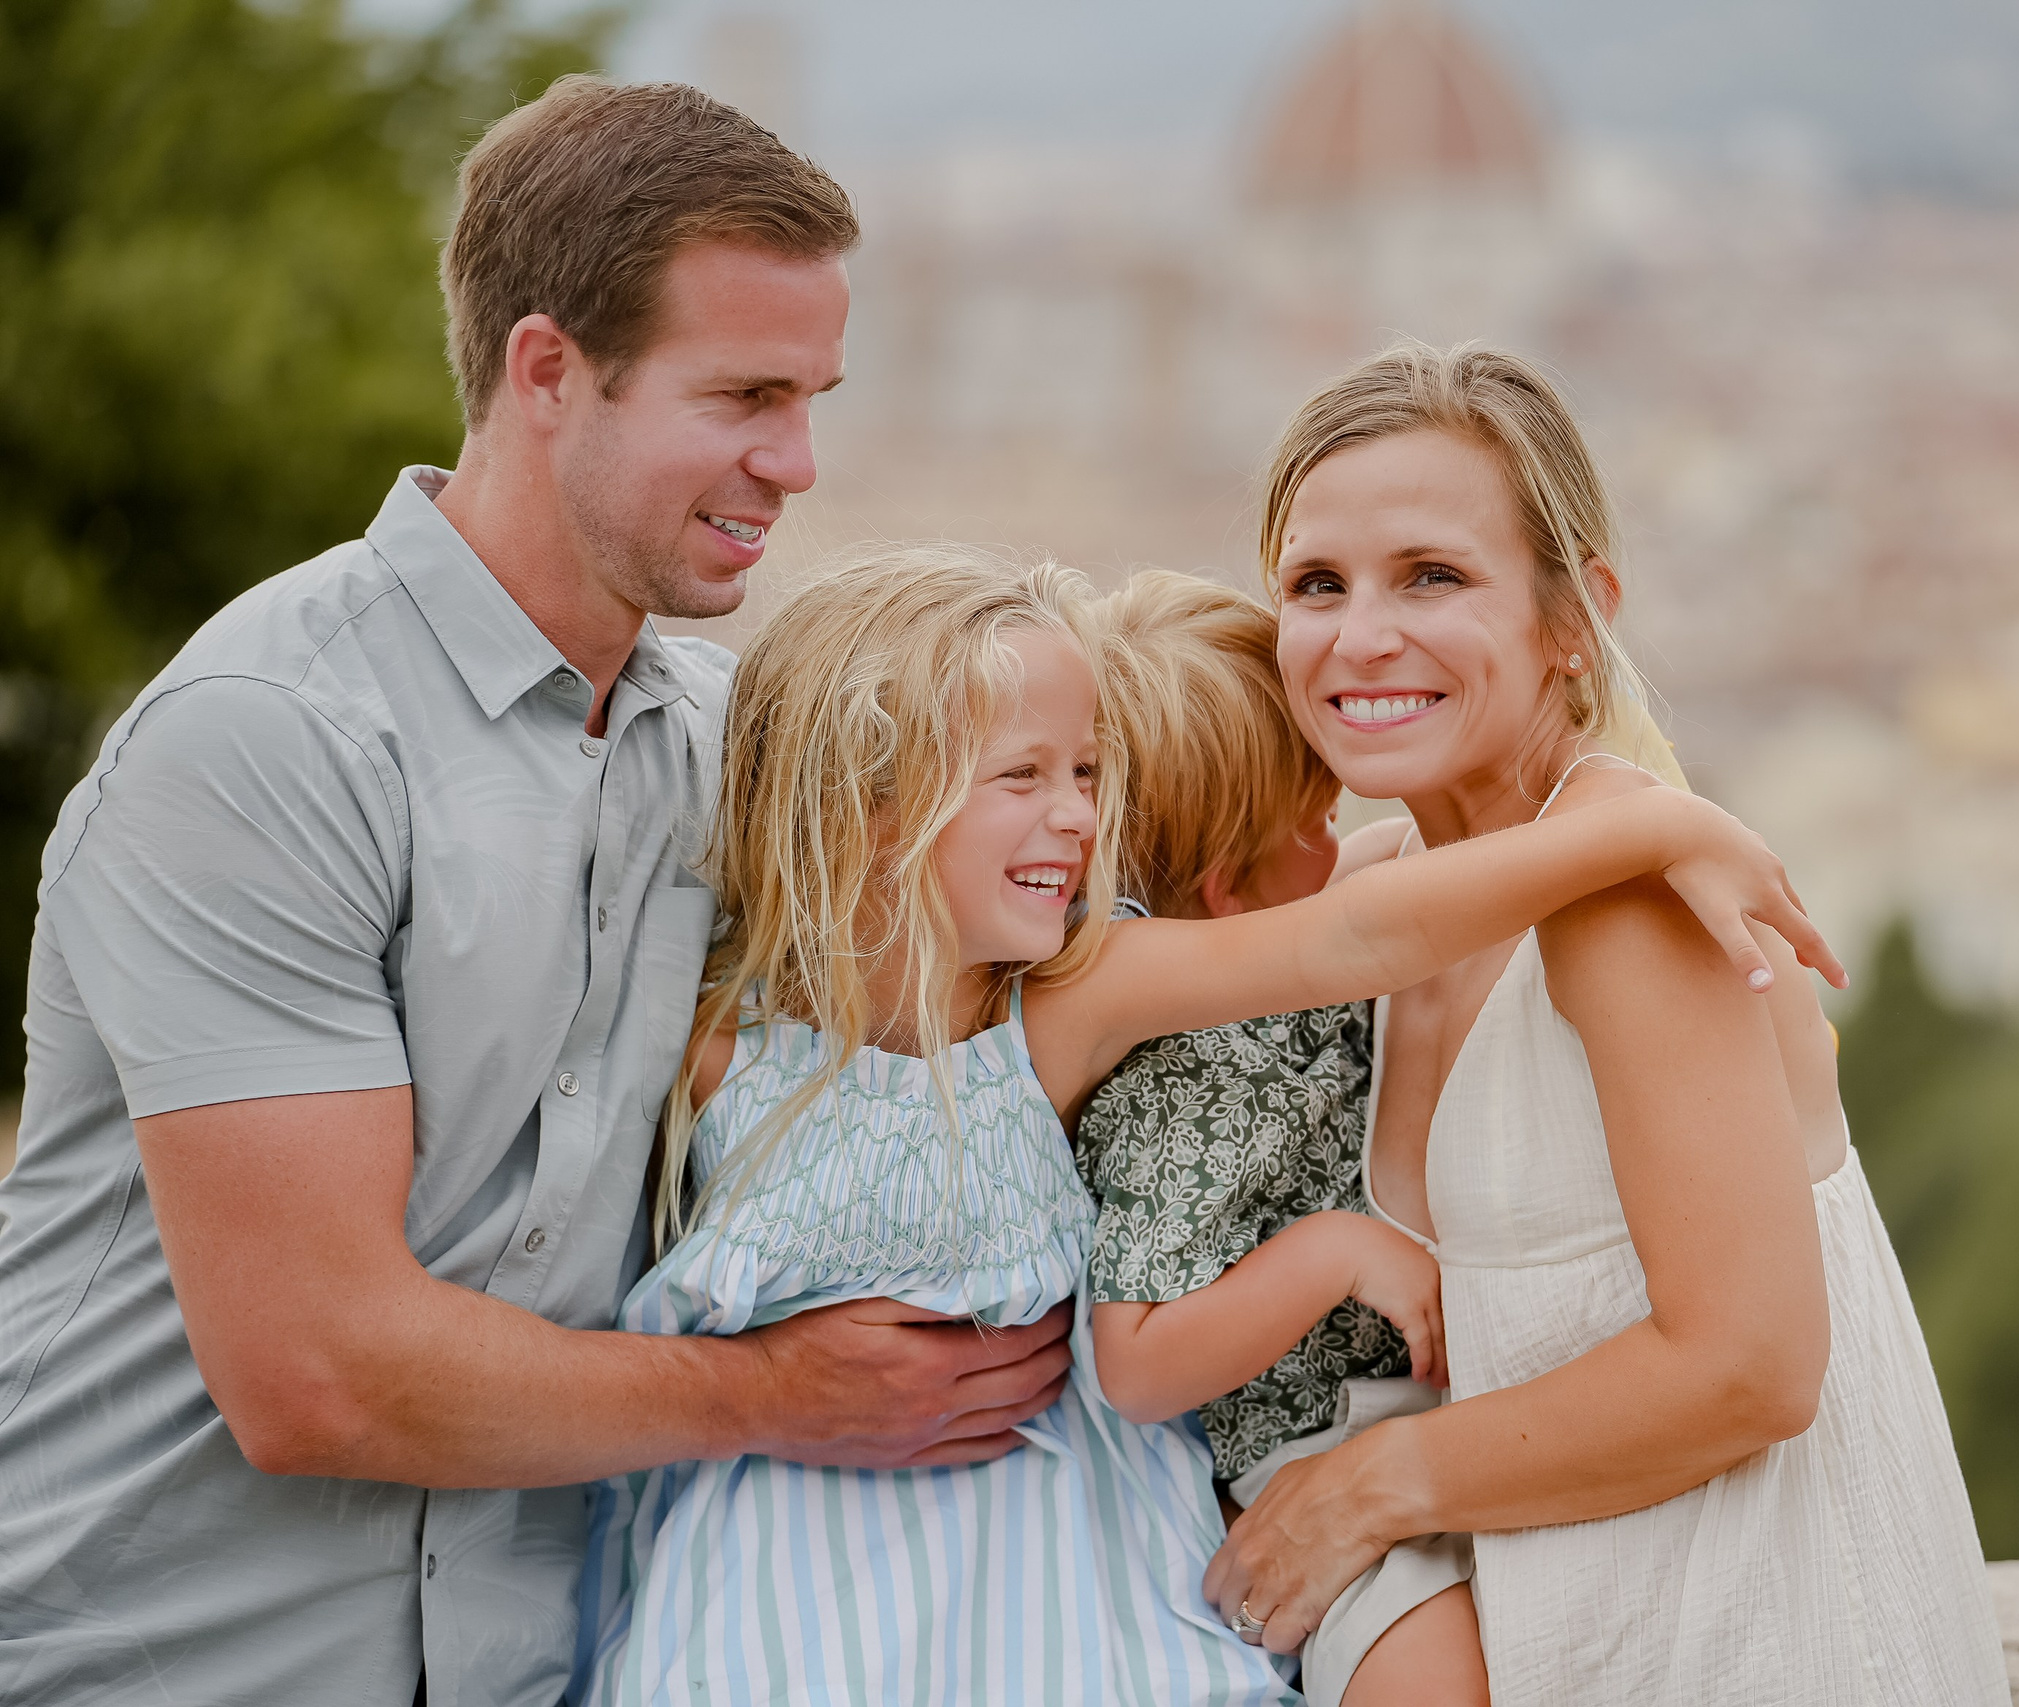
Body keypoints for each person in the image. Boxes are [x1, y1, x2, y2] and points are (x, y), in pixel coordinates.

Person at [0, 80, 1074, 1707]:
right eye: (745, 396)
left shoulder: (734, 747)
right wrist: (782, 1392)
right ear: (549, 370)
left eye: (815, 397)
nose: (796, 462)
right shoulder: (268, 745)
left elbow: (1028, 939)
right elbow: (317, 1373)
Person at [567, 544, 1834, 1705]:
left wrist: (1647, 824)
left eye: (1087, 774)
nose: (1076, 818)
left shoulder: (1065, 999)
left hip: (1058, 1575)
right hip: (779, 1587)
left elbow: (1357, 929)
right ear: (871, 806)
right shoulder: (711, 1046)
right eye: (1022, 777)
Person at [1203, 342, 2012, 1706]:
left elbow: (1751, 1363)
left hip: (1770, 1647)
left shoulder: (1621, 902)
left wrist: (1371, 1486)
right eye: (1315, 584)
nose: (1361, 634)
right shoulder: (1379, 899)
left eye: (1434, 576)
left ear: (1573, 618)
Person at [1077, 571, 1485, 1707]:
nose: (1337, 840)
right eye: (1311, 823)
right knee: (1433, 1667)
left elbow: (1394, 880)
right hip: (1305, 1450)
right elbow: (1137, 1362)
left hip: (1410, 1416)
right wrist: (1339, 1254)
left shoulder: (1276, 941)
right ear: (1224, 893)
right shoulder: (1189, 1076)